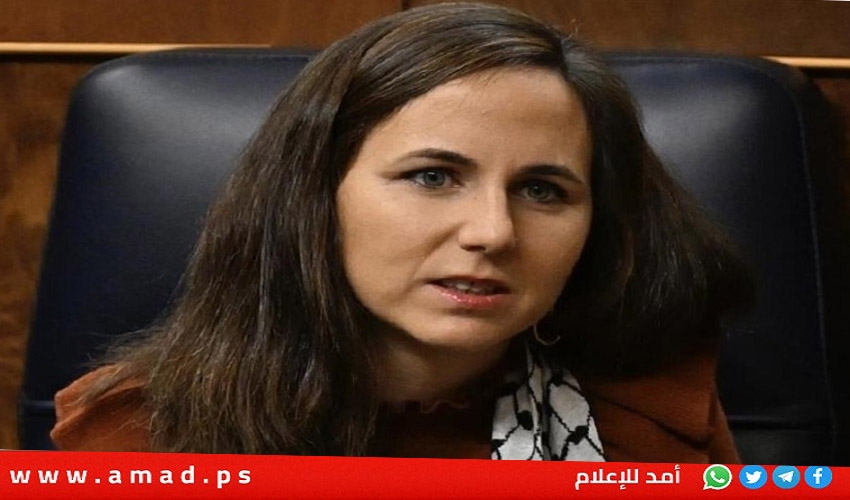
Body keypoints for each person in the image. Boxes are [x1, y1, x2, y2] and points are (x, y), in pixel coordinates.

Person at [50, 2, 752, 462]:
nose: (492, 233)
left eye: (542, 191)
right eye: (433, 176)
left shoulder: (648, 416)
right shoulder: (139, 432)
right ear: (314, 196)